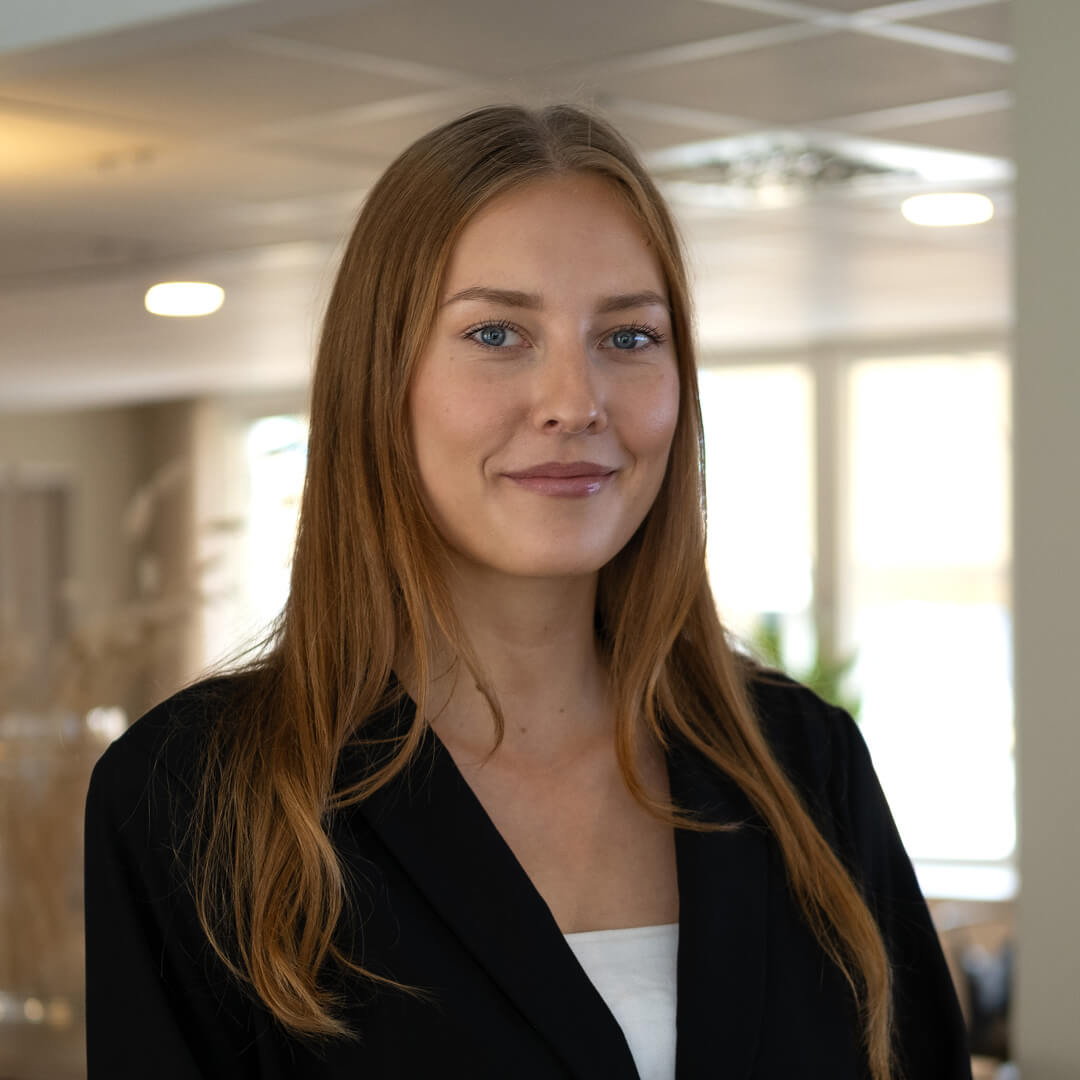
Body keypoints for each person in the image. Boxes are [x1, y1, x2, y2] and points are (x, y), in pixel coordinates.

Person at [84, 104, 972, 1080]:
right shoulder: (197, 795)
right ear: (379, 378)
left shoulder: (804, 765)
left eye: (628, 336)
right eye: (498, 332)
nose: (574, 402)